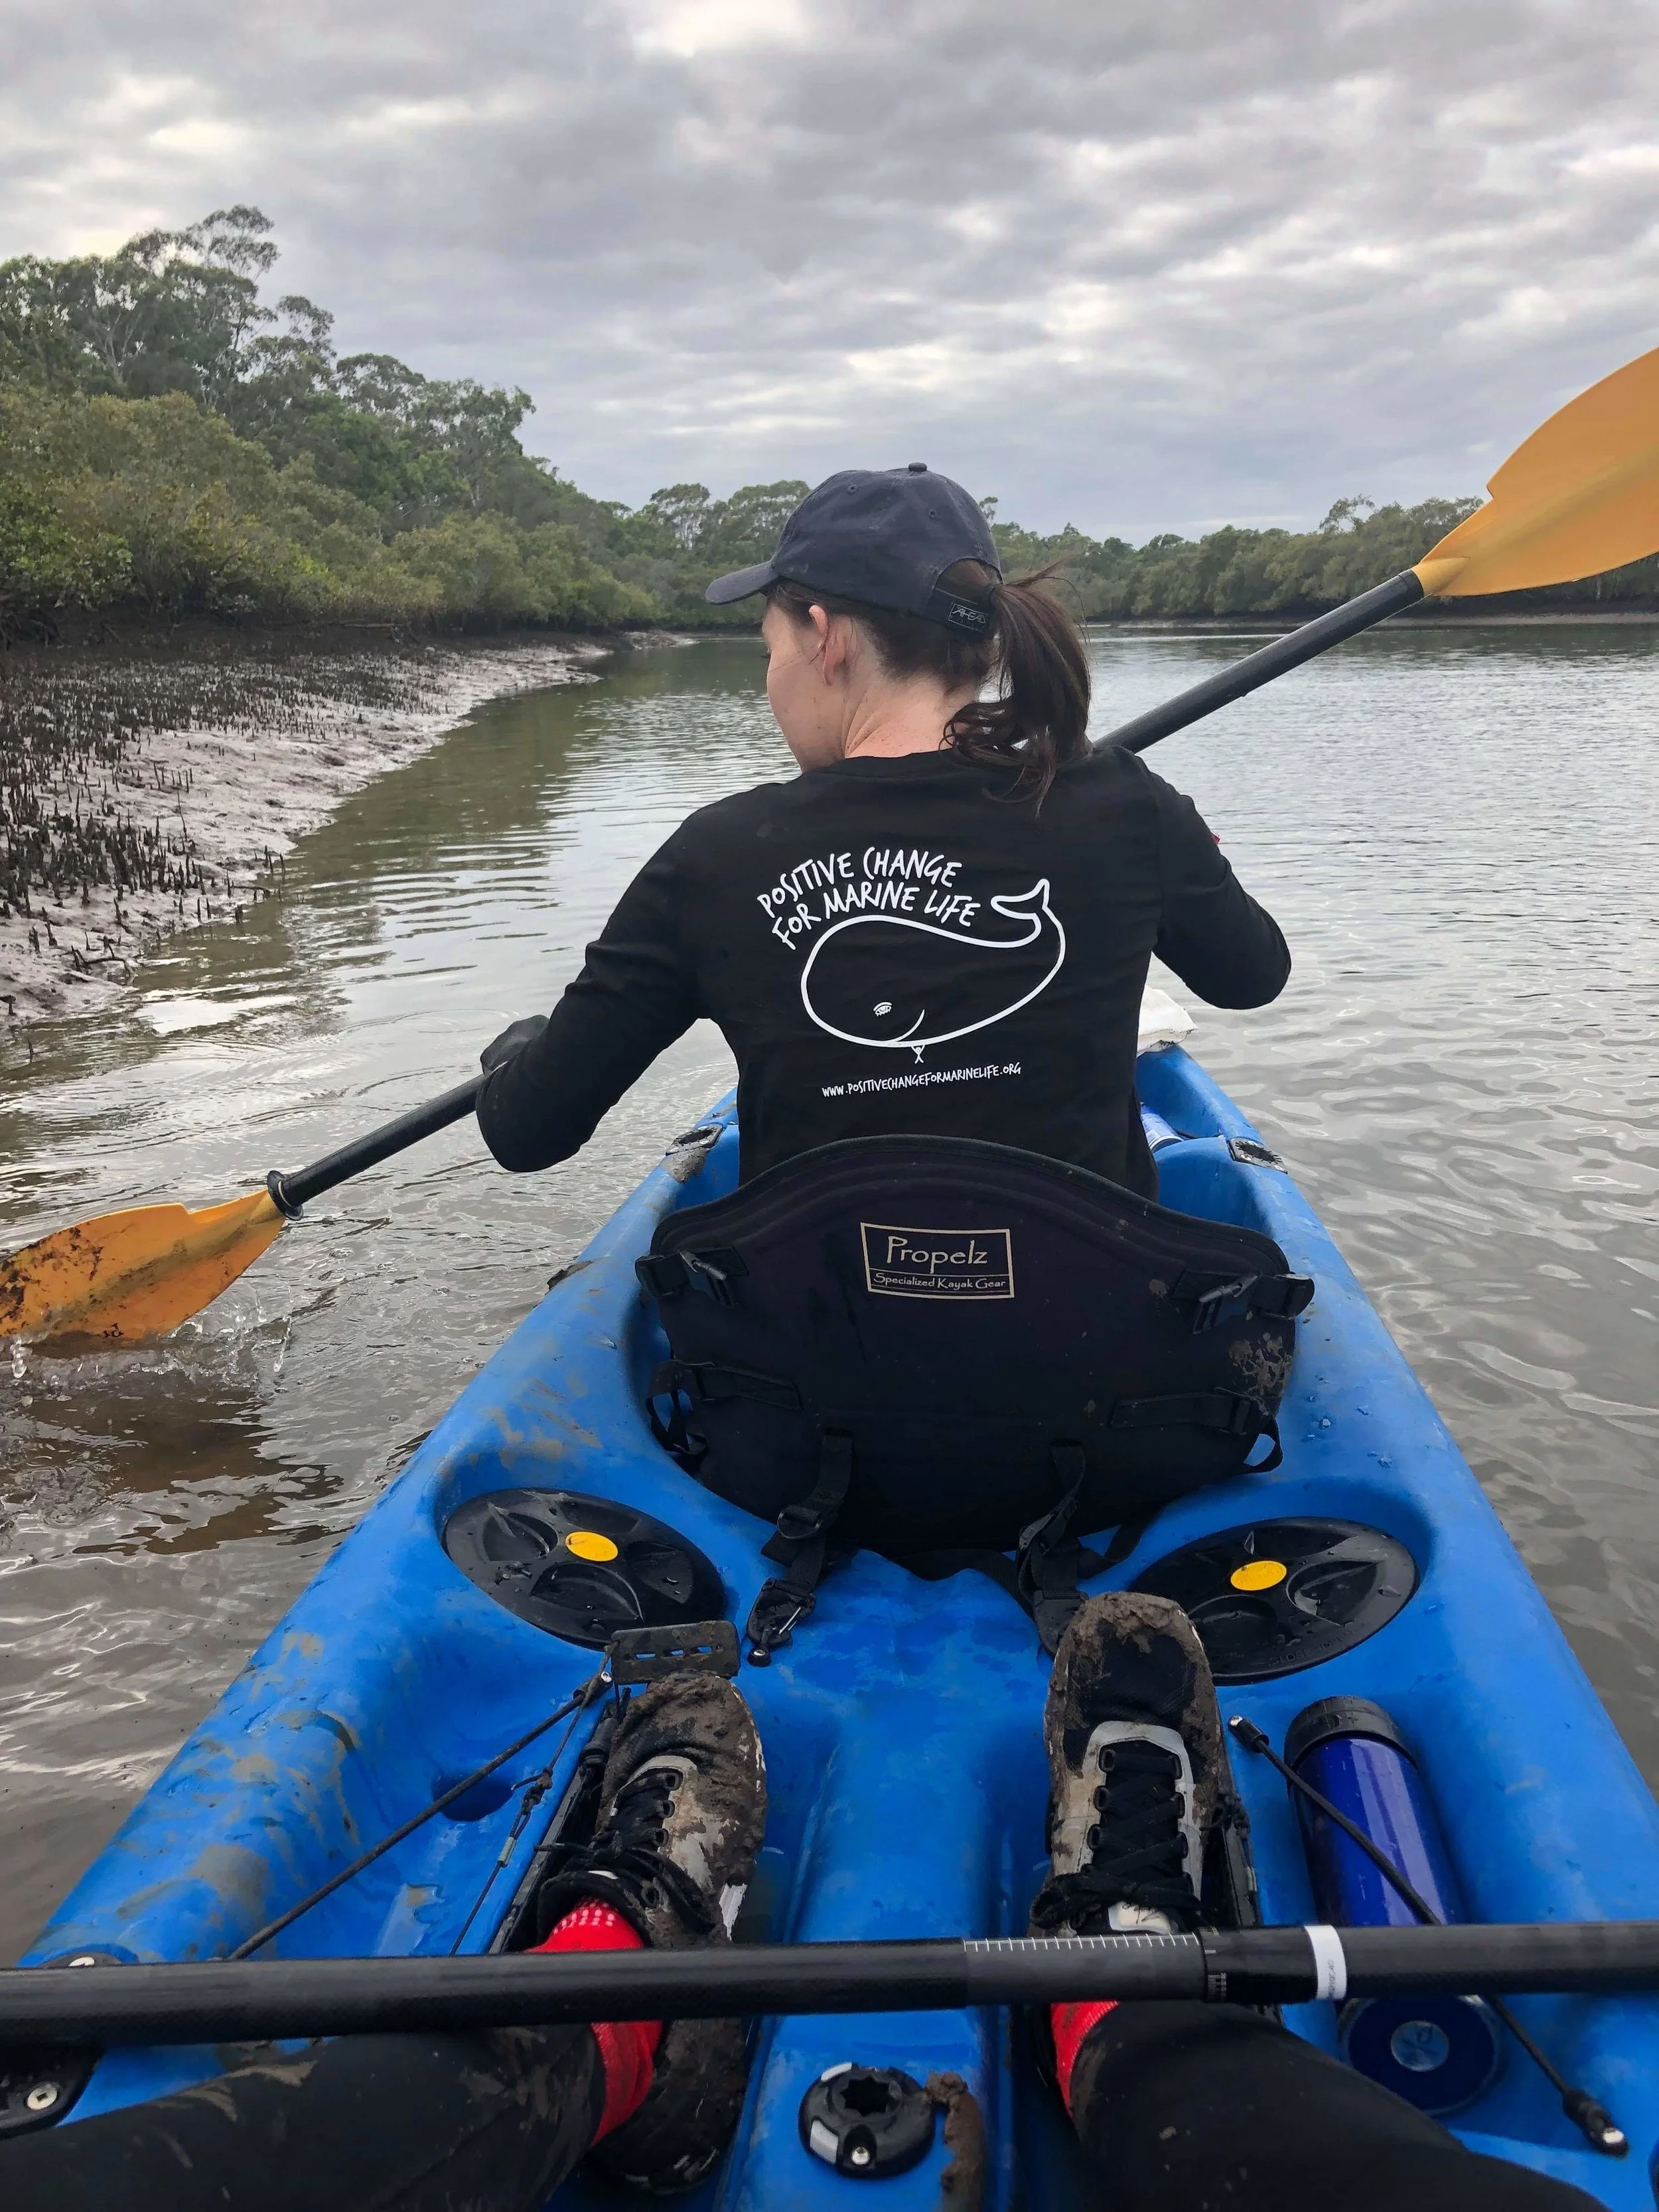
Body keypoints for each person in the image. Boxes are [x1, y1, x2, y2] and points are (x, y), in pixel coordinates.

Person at [8, 1596, 1605, 2209]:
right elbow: (1249, 973)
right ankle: (1117, 1985)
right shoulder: (1138, 836)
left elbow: (548, 1111)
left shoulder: (710, 856)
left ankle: (616, 1996)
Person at [474, 462, 1290, 1197]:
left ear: (824, 638)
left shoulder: (715, 858)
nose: (772, 682)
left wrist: (517, 1051)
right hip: (1093, 1340)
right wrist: (1177, 834)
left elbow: (527, 1132)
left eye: (770, 648)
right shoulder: (1124, 804)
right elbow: (1251, 975)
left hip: (814, 1357)